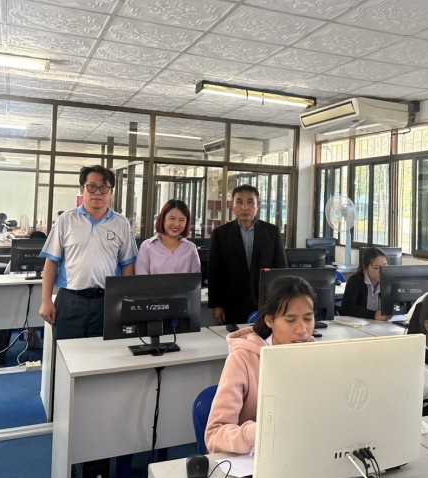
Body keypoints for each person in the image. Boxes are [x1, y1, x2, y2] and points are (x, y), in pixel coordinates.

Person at [205, 275, 316, 454]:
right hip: (255, 458)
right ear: (269, 320)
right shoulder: (242, 359)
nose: (302, 329)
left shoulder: (318, 356)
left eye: (308, 318)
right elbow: (215, 435)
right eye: (290, 320)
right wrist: (262, 432)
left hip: (305, 452)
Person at [39, 165, 138, 340]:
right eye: (91, 187)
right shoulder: (66, 220)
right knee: (66, 352)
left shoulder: (121, 224)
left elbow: (128, 265)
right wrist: (46, 300)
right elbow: (51, 262)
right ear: (81, 189)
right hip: (70, 300)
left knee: (102, 353)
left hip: (107, 301)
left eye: (104, 187)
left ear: (111, 192)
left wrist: (125, 301)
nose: (97, 192)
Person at [207, 184, 287, 325]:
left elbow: (280, 270)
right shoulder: (220, 234)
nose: (245, 207)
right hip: (231, 303)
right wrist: (217, 305)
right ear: (232, 206)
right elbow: (214, 272)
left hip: (266, 303)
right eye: (239, 202)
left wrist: (280, 302)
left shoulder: (272, 232)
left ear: (258, 206)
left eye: (250, 202)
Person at [135, 199, 200, 275]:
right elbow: (142, 280)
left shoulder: (191, 249)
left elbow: (195, 280)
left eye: (181, 220)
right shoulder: (147, 247)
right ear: (163, 219)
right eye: (172, 218)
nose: (176, 224)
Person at [340, 247, 390, 320]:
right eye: (376, 268)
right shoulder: (355, 281)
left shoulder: (389, 281)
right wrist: (373, 315)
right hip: (359, 323)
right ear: (365, 268)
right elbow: (347, 307)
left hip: (382, 324)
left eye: (385, 266)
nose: (381, 271)